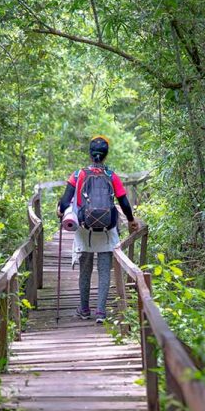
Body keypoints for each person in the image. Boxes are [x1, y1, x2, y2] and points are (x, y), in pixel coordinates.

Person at [56, 135, 139, 324]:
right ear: (106, 155)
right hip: (107, 230)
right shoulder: (111, 176)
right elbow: (124, 202)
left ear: (90, 153)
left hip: (84, 230)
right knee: (103, 271)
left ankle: (84, 309)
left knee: (85, 271)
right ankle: (101, 312)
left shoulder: (78, 175)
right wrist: (131, 220)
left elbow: (64, 202)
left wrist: (61, 211)